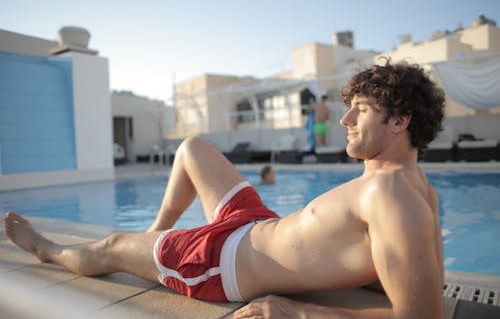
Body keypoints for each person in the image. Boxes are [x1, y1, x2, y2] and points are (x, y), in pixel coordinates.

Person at [4, 60, 446, 318]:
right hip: (255, 225)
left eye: (360, 111)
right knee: (193, 147)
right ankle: (155, 234)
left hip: (218, 262)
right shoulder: (418, 188)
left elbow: (422, 315)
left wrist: (300, 311)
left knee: (113, 246)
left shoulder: (392, 195)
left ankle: (48, 250)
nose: (346, 121)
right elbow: (416, 287)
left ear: (399, 121)